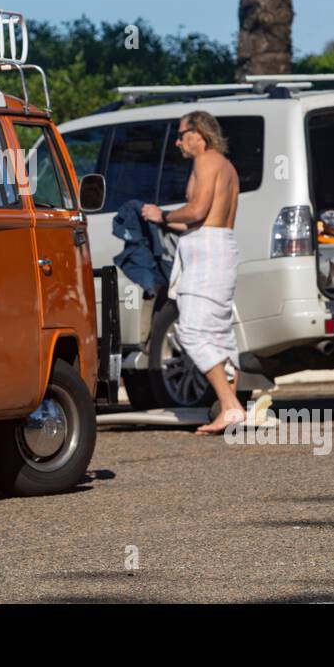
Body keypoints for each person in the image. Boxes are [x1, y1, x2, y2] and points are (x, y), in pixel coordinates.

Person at [141, 111, 243, 435]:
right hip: (222, 246)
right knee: (218, 331)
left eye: (182, 133)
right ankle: (227, 405)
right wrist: (164, 221)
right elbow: (204, 217)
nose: (178, 141)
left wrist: (164, 212)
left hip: (207, 253)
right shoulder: (228, 167)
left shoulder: (206, 161)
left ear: (198, 133)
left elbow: (197, 210)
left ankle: (230, 406)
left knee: (192, 332)